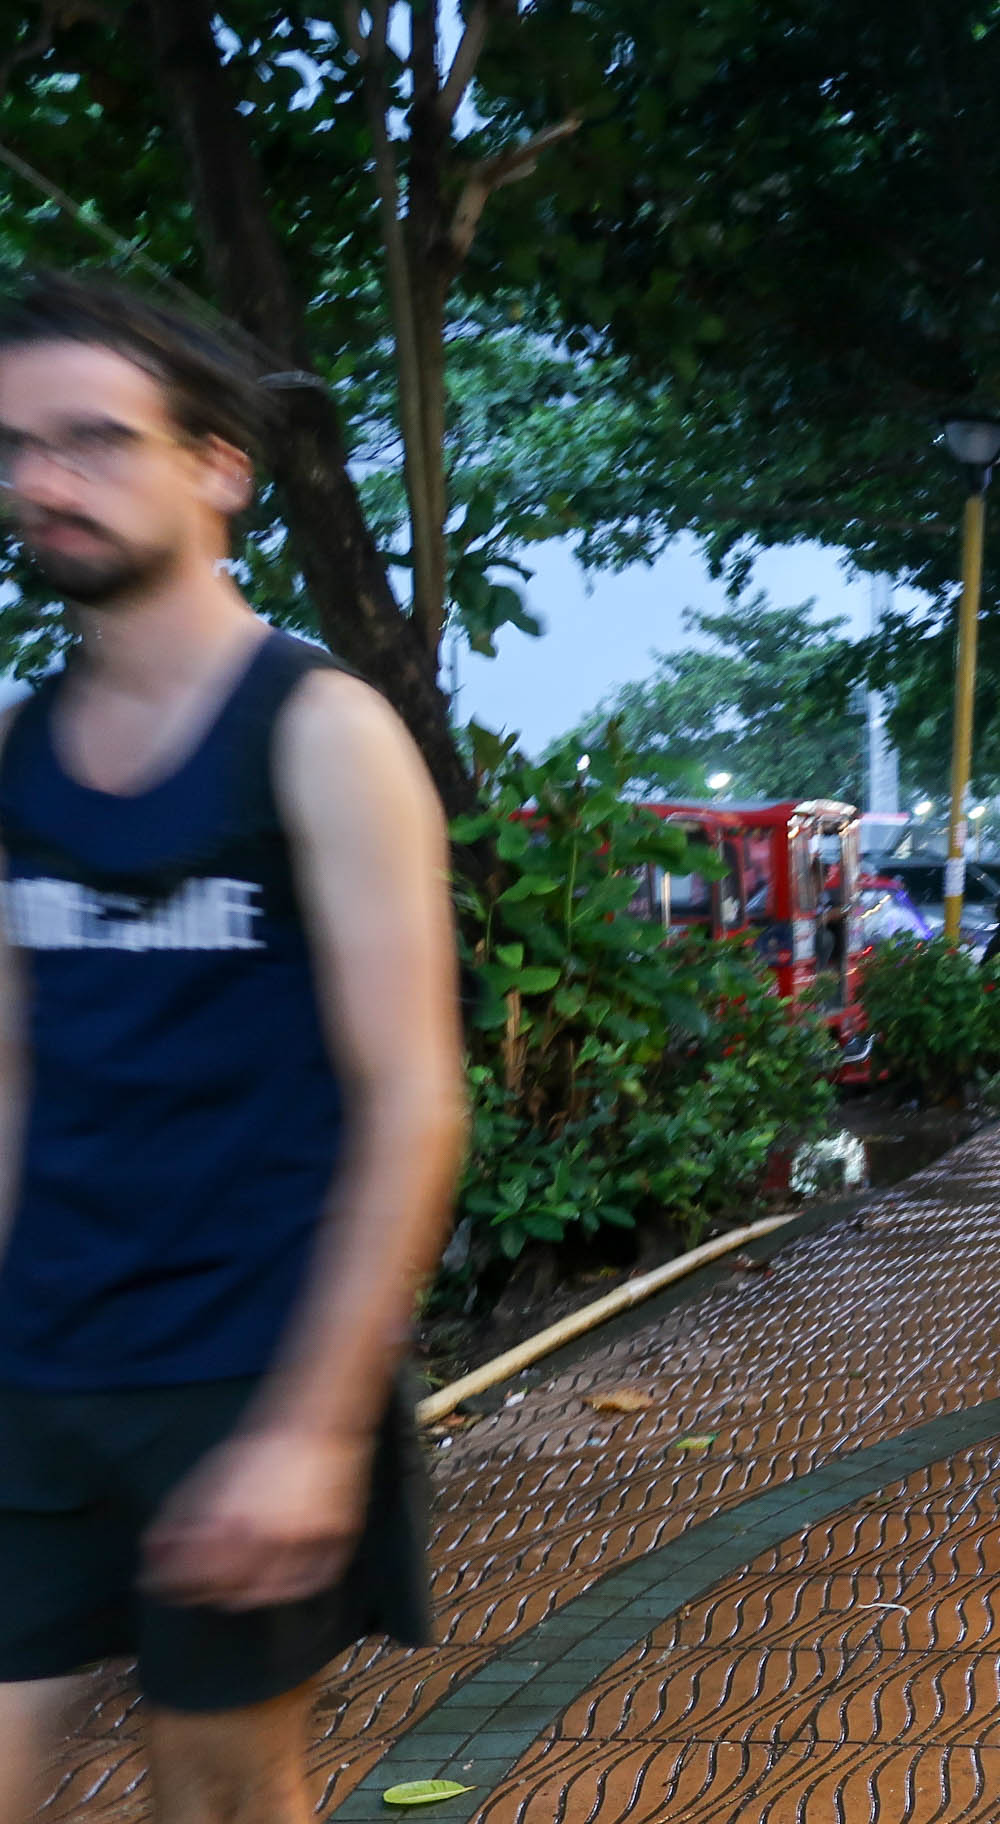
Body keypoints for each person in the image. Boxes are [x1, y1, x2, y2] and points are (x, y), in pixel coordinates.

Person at [0, 275, 467, 1822]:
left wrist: (312, 1433)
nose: (43, 483)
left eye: (92, 441)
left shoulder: (319, 733)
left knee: (217, 1792)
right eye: (16, 448)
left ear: (217, 469)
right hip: (39, 1360)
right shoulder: (11, 749)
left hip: (242, 1374)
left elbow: (413, 1104)